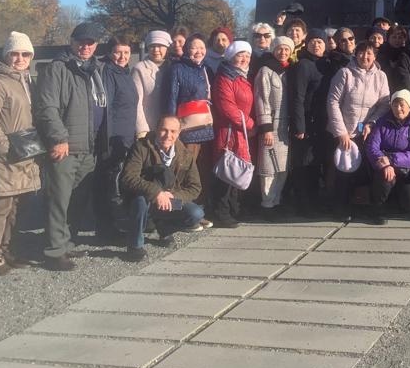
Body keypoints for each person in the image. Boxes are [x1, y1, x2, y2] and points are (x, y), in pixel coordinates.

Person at [34, 21, 107, 271]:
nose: (85, 46)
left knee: (77, 199)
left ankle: (65, 244)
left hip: (89, 148)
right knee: (59, 200)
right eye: (81, 41)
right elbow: (48, 107)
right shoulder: (58, 68)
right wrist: (59, 138)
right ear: (72, 41)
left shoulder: (96, 69)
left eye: (91, 42)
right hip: (66, 147)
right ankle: (54, 251)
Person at [0, 31, 41, 275]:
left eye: (25, 54)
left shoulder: (25, 80)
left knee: (15, 207)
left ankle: (6, 249)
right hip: (2, 159)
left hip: (23, 156)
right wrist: (4, 148)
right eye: (15, 53)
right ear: (6, 55)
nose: (20, 58)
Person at [120, 115, 204, 261]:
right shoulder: (141, 147)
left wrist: (173, 196)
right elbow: (128, 178)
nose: (168, 135)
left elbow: (195, 187)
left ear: (178, 133)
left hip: (170, 200)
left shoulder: (185, 154)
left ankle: (164, 227)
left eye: (173, 131)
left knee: (196, 213)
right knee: (139, 201)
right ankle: (135, 246)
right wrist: (156, 193)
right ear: (157, 129)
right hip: (144, 199)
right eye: (164, 130)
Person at [326, 41, 391, 219]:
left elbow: (384, 104)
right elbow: (333, 102)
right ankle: (339, 207)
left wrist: (371, 123)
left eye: (369, 53)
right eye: (361, 53)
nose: (365, 57)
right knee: (344, 170)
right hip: (345, 130)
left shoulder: (381, 77)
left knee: (363, 169)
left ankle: (361, 205)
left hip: (365, 130)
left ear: (375, 56)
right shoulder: (345, 73)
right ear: (356, 54)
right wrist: (341, 132)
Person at [95, 37, 139, 242]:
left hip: (127, 135)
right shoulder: (109, 73)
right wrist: (109, 139)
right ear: (110, 52)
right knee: (108, 184)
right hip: (114, 138)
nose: (122, 57)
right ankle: (106, 229)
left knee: (119, 181)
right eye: (118, 52)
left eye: (127, 53)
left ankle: (117, 223)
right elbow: (108, 108)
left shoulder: (125, 72)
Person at [208, 41, 255, 228]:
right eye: (240, 55)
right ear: (230, 56)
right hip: (228, 130)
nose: (244, 59)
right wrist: (250, 123)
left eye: (247, 56)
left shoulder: (242, 77)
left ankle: (234, 208)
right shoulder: (224, 78)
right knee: (226, 169)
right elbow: (227, 107)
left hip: (240, 130)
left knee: (237, 169)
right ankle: (221, 211)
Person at [364, 90, 410, 224]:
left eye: (402, 105)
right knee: (385, 177)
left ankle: (396, 202)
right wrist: (386, 164)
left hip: (407, 173)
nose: (398, 109)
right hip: (385, 169)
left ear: (409, 107)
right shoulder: (382, 123)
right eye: (395, 105)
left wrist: (392, 159)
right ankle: (377, 208)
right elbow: (372, 147)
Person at [287, 29, 331, 214]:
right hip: (306, 121)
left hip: (320, 122)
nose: (316, 44)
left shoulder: (324, 64)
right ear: (306, 44)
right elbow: (297, 97)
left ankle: (313, 200)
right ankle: (303, 203)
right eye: (312, 41)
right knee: (303, 164)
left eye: (320, 41)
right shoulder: (304, 65)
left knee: (315, 163)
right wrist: (299, 125)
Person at [254, 36, 294, 220]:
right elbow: (261, 100)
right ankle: (266, 204)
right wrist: (266, 127)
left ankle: (277, 201)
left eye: (287, 49)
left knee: (282, 167)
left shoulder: (290, 71)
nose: (283, 52)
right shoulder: (266, 71)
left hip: (286, 126)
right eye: (280, 49)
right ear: (274, 49)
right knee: (268, 168)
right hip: (271, 125)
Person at [133, 30, 171, 137]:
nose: (156, 50)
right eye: (152, 46)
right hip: (150, 126)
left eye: (160, 46)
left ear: (167, 48)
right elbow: (136, 101)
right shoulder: (139, 69)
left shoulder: (172, 67)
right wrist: (141, 129)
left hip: (170, 128)